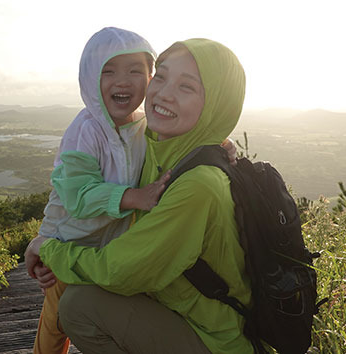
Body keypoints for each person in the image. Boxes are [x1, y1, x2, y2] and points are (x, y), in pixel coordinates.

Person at [35, 38, 253, 353]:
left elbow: (120, 272)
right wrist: (220, 139)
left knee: (79, 308)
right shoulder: (162, 148)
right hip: (182, 310)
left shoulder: (200, 185)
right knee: (76, 300)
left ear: (217, 104)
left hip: (215, 339)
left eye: (187, 87)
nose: (164, 93)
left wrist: (50, 251)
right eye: (161, 77)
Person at [24, 27, 171, 354]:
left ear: (151, 76)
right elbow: (79, 197)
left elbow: (177, 140)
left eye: (135, 70)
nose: (123, 80)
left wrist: (220, 142)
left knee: (93, 313)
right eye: (109, 71)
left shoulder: (143, 125)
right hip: (68, 241)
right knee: (56, 324)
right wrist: (135, 198)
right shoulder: (85, 130)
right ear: (90, 78)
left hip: (107, 245)